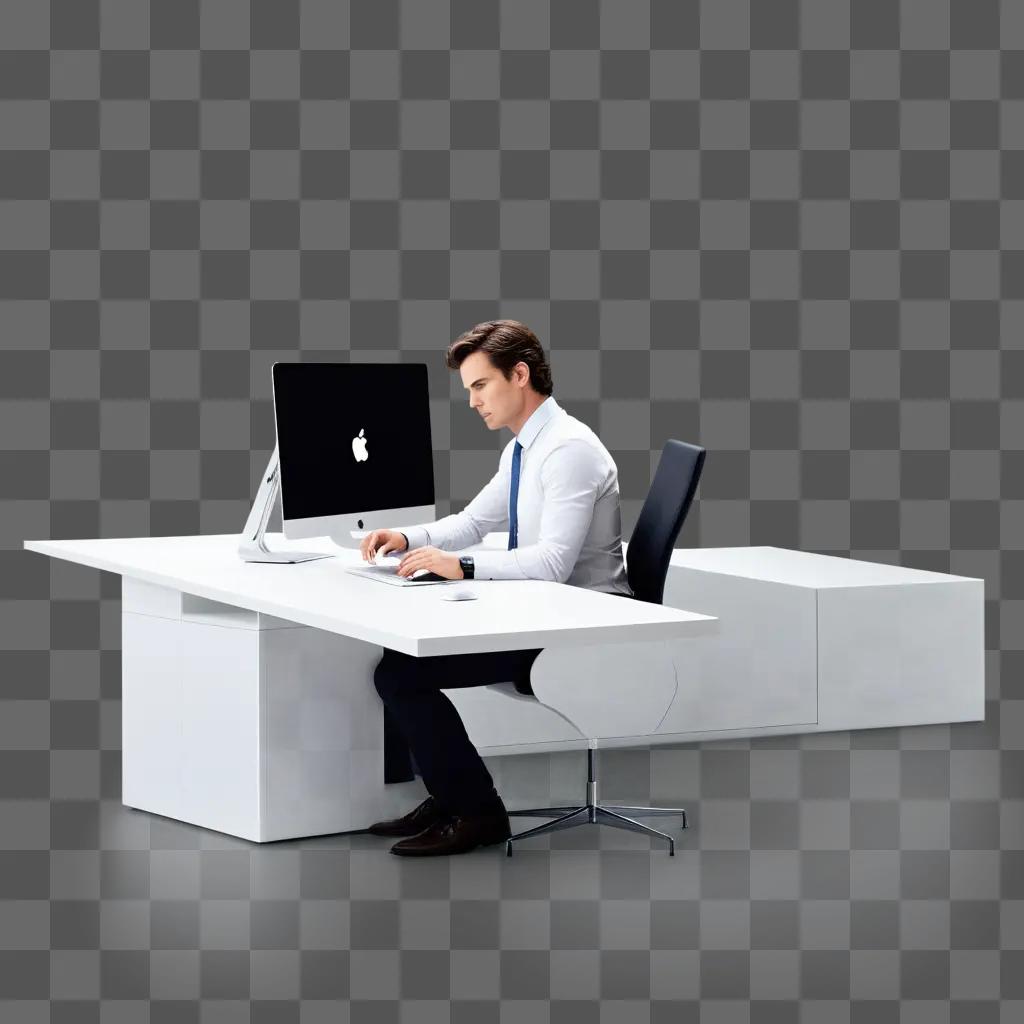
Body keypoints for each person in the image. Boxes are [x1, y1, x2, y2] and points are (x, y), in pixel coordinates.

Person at [362, 320, 633, 856]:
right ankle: (450, 797)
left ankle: (477, 813)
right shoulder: (524, 449)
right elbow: (472, 521)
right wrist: (407, 537)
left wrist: (460, 566)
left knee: (403, 674)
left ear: (520, 375)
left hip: (579, 627)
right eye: (468, 390)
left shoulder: (567, 451)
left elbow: (554, 563)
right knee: (400, 660)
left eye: (480, 385)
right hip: (543, 612)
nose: (472, 401)